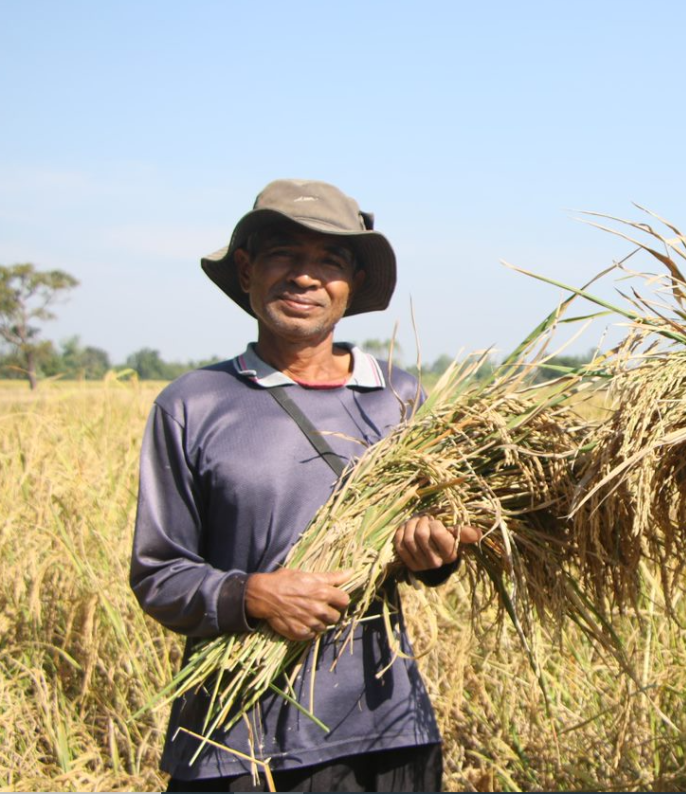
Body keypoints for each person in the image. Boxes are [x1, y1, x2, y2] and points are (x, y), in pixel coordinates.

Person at [130, 179, 480, 792]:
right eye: (284, 256)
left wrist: (437, 550)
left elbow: (440, 544)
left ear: (351, 285)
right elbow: (159, 572)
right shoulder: (193, 403)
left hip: (384, 729)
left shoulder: (401, 399)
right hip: (234, 741)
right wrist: (253, 595)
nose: (305, 277)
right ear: (246, 271)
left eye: (328, 261)